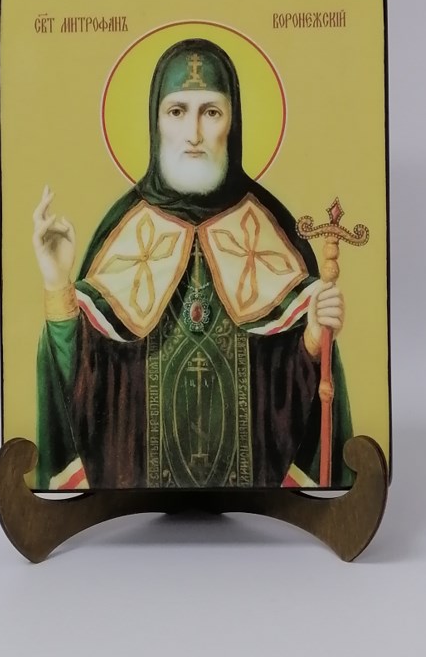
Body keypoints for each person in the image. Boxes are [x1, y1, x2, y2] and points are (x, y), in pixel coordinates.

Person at [32, 38, 353, 491]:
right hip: (139, 486)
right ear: (155, 121)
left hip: (254, 489)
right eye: (177, 111)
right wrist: (57, 283)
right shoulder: (123, 229)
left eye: (211, 112)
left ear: (233, 123)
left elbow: (290, 391)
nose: (194, 133)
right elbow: (84, 381)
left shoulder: (270, 228)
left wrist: (315, 338)